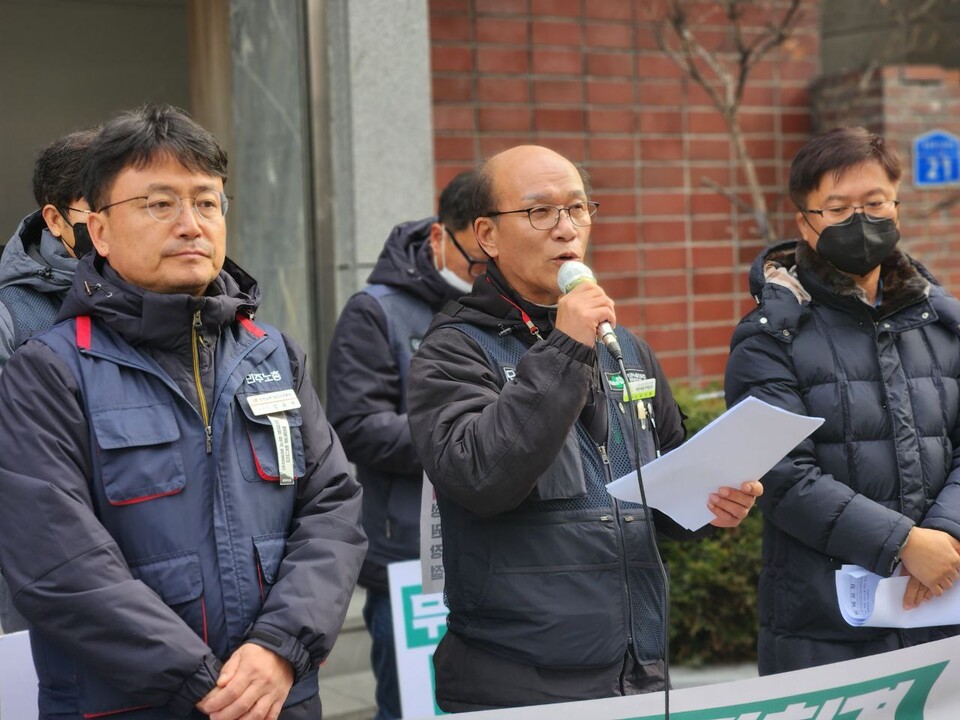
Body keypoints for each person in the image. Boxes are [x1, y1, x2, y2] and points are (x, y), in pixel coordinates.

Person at [0, 104, 367, 720]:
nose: (191, 225)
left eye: (206, 202)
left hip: (279, 697)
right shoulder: (49, 368)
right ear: (100, 229)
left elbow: (332, 508)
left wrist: (280, 648)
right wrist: (203, 683)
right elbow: (57, 562)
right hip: (129, 703)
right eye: (158, 203)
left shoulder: (270, 353)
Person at [405, 144, 763, 712]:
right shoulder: (451, 351)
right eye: (539, 211)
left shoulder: (626, 349)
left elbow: (660, 487)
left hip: (637, 669)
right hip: (516, 680)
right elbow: (481, 476)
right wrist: (567, 348)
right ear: (487, 236)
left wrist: (711, 501)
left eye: (577, 208)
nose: (565, 228)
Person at [724, 126, 960, 676]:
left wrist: (943, 540)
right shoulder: (770, 337)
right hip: (827, 628)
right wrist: (901, 544)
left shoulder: (944, 324)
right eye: (837, 207)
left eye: (874, 203)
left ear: (897, 208)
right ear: (805, 223)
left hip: (945, 607)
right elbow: (780, 476)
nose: (861, 220)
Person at [325, 170, 484, 720]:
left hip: (497, 540)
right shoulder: (376, 312)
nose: (485, 274)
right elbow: (358, 425)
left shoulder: (508, 307)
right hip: (410, 550)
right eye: (476, 262)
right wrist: (471, 441)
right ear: (441, 238)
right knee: (416, 703)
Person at [0, 127, 97, 635]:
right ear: (55, 218)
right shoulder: (11, 313)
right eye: (95, 211)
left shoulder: (164, 297)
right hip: (45, 586)